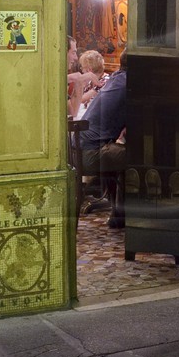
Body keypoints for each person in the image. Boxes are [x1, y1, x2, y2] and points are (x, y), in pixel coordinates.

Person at [79, 52, 127, 228]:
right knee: (138, 155)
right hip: (90, 155)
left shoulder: (116, 79)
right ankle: (135, 217)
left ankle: (119, 213)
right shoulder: (129, 84)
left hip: (80, 151)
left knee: (116, 152)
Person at [68, 49, 104, 118]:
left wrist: (80, 83)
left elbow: (80, 100)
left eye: (82, 67)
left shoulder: (105, 81)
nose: (81, 70)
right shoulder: (88, 82)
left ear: (89, 69)